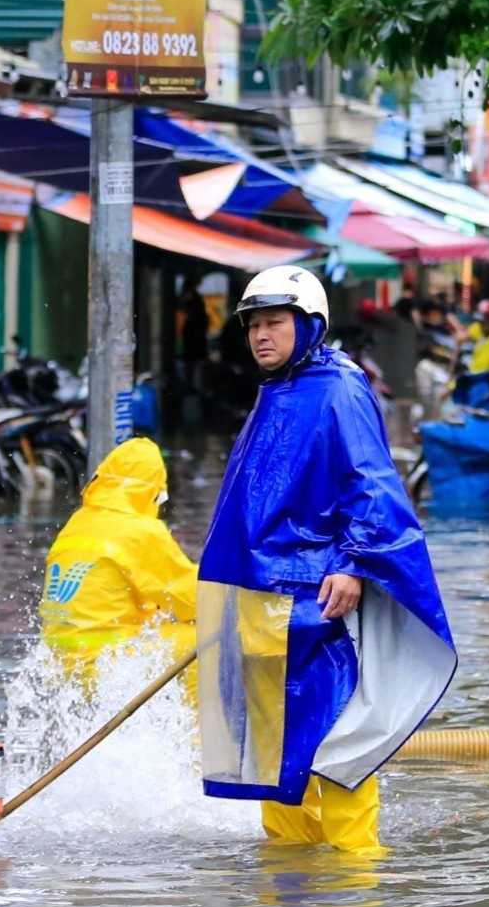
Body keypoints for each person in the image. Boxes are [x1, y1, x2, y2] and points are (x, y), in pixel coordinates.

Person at [195, 266, 455, 855]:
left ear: (307, 324)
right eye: (253, 325)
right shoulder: (277, 389)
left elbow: (368, 479)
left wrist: (354, 563)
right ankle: (291, 888)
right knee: (271, 751)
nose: (261, 335)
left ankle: (353, 890)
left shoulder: (339, 387)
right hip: (258, 598)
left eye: (274, 323)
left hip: (314, 599)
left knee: (338, 740)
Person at [39, 437, 196, 677]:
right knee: (206, 639)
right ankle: (196, 715)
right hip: (106, 662)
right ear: (152, 492)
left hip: (63, 664)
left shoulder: (78, 522)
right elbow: (192, 601)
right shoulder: (138, 530)